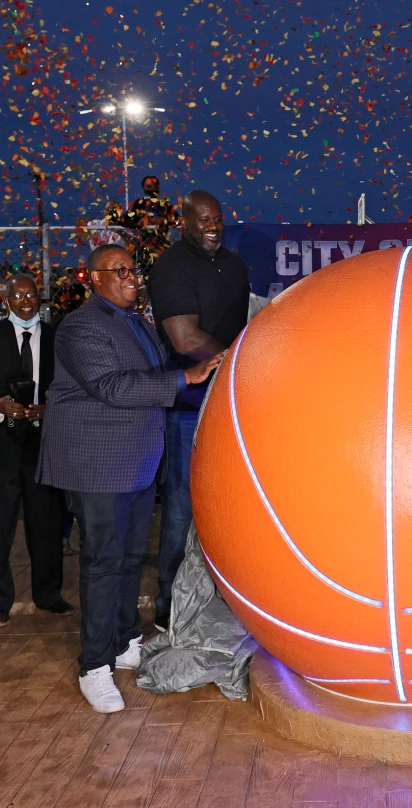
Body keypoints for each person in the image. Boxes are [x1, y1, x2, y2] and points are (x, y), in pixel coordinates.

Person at [36, 244, 222, 713]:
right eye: (119, 271)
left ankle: (122, 643)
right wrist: (187, 378)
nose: (131, 277)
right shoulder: (81, 326)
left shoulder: (136, 322)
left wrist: (203, 385)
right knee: (103, 563)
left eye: (133, 269)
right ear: (94, 279)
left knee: (129, 557)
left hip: (138, 460)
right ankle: (94, 666)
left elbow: (153, 382)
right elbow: (112, 387)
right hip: (98, 464)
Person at [149, 190, 250, 633]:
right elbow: (185, 339)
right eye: (203, 218)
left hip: (229, 402)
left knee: (232, 506)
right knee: (181, 506)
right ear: (184, 222)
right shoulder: (171, 266)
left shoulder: (234, 263)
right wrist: (237, 359)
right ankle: (169, 604)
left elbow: (243, 324)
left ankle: (229, 597)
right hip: (188, 406)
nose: (213, 225)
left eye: (218, 218)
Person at [0, 274, 72, 627]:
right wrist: (1, 405)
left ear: (40, 298)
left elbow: (72, 386)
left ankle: (49, 595)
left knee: (46, 523)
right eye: (18, 295)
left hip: (45, 443)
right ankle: (0, 603)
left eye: (31, 294)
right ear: (6, 300)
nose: (26, 301)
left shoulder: (59, 338)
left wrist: (51, 408)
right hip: (3, 446)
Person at [120, 176, 179, 278]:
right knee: (143, 273)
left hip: (161, 244)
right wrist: (141, 224)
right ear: (143, 187)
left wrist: (162, 223)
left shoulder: (165, 204)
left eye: (154, 185)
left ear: (159, 187)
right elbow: (123, 221)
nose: (152, 188)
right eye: (148, 186)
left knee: (165, 273)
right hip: (143, 245)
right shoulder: (138, 204)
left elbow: (177, 221)